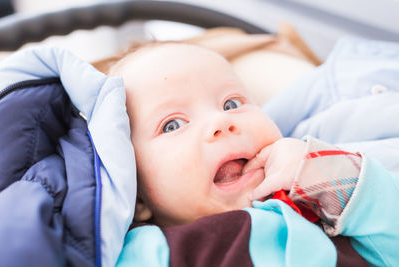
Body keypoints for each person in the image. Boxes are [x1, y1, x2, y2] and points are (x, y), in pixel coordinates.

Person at [105, 42, 399, 266]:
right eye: (172, 124)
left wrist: (331, 176)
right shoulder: (144, 251)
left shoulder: (322, 204)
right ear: (137, 196)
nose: (221, 123)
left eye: (231, 104)